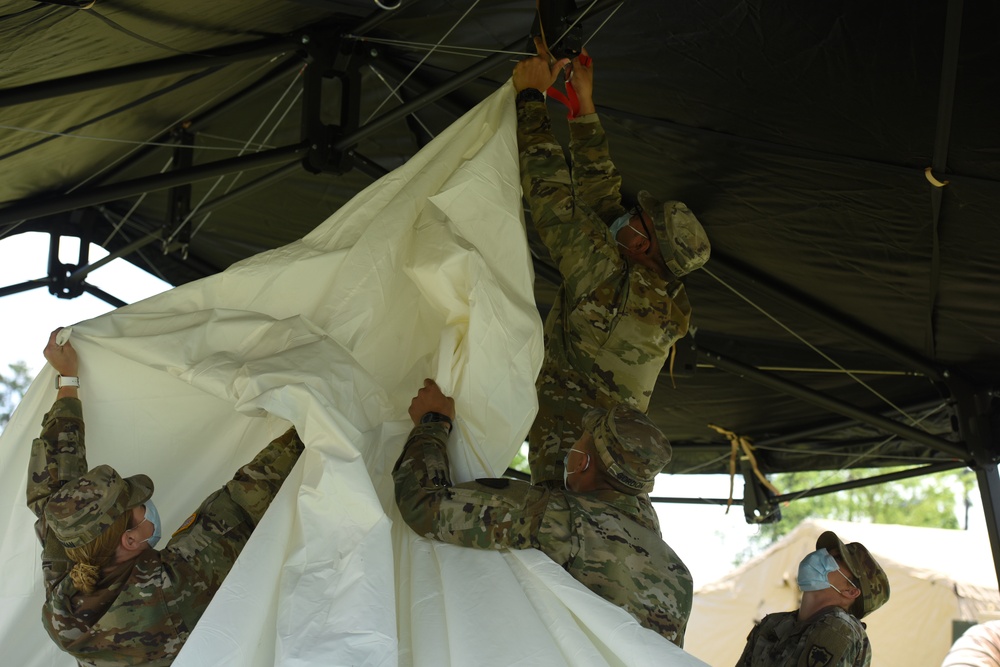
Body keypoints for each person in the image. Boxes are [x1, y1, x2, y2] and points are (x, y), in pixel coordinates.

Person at [27, 329, 305, 665]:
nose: (146, 507)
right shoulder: (168, 589)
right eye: (136, 506)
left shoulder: (66, 579)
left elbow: (55, 487)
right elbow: (242, 505)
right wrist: (309, 425)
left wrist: (68, 380)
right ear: (130, 539)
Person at [511, 37, 711, 489]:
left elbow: (551, 200)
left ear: (643, 244)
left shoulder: (608, 281)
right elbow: (601, 196)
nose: (626, 214)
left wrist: (530, 98)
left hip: (573, 461)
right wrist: (583, 108)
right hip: (600, 457)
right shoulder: (658, 290)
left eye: (637, 218)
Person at [393, 378, 694, 646]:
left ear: (581, 463)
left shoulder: (560, 517)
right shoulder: (679, 577)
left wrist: (433, 421)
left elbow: (424, 504)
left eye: (580, 440)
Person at [736, 531, 891, 667]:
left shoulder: (839, 628)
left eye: (835, 557)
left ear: (850, 591)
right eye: (827, 552)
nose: (822, 555)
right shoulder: (773, 623)